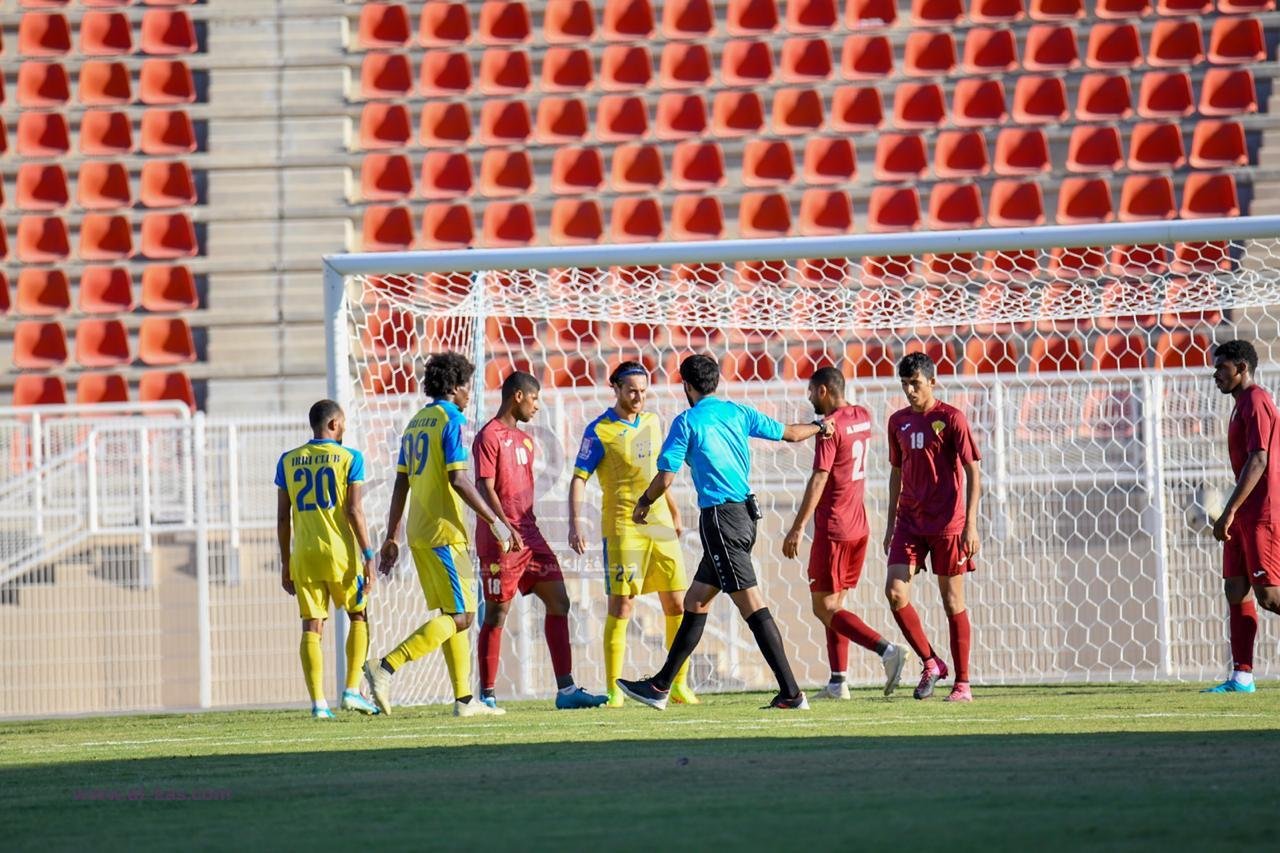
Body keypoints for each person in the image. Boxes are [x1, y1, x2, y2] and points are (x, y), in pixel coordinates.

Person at [616, 354, 832, 711]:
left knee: (752, 603)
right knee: (696, 601)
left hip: (720, 519)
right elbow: (792, 434)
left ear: (687, 385)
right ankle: (660, 686)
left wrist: (644, 502)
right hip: (746, 516)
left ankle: (792, 693)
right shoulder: (738, 412)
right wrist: (819, 427)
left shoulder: (687, 422)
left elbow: (666, 477)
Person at [363, 352, 513, 717]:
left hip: (418, 530)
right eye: (467, 386)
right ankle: (385, 666)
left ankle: (464, 700)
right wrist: (495, 520)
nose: (469, 394)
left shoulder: (415, 423)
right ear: (454, 386)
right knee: (463, 617)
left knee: (452, 613)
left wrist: (392, 535)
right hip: (445, 532)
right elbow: (458, 478)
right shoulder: (453, 420)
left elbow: (401, 482)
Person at [474, 371, 606, 710]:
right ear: (518, 396)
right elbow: (484, 487)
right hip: (500, 539)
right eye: (534, 399)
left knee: (559, 601)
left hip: (530, 536)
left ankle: (566, 690)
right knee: (497, 613)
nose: (537, 406)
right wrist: (505, 526)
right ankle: (487, 696)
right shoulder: (488, 436)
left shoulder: (526, 441)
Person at [569, 361, 697, 708]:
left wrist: (673, 510)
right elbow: (579, 478)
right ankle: (614, 690)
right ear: (615, 388)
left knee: (677, 603)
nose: (638, 397)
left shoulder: (653, 422)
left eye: (643, 391)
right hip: (623, 527)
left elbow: (659, 472)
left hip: (659, 523)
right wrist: (576, 522)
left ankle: (678, 684)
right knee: (622, 604)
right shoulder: (599, 430)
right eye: (632, 391)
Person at [783, 367, 907, 699]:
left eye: (811, 391)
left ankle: (887, 651)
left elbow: (820, 477)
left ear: (823, 390)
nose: (809, 397)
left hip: (834, 528)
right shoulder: (862, 415)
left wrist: (797, 527)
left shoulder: (830, 427)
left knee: (823, 607)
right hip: (859, 525)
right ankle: (839, 681)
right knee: (836, 604)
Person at [883, 352, 982, 702]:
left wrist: (971, 525)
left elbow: (973, 472)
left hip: (947, 523)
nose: (910, 391)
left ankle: (963, 683)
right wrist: (891, 523)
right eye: (904, 384)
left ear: (932, 382)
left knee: (952, 601)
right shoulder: (897, 422)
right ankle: (931, 662)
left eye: (915, 384)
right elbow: (896, 472)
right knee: (895, 593)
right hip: (909, 522)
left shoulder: (951, 418)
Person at [275, 399, 380, 719]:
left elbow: (283, 518)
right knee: (358, 615)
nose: (344, 428)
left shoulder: (288, 460)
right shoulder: (350, 458)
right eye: (343, 423)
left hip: (304, 555)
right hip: (340, 555)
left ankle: (319, 704)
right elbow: (354, 510)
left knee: (312, 625)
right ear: (334, 424)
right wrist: (368, 554)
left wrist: (286, 562)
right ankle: (351, 691)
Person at [1204, 339, 1280, 693]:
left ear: (1242, 368)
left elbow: (1259, 458)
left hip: (1262, 510)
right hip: (1242, 513)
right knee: (1235, 588)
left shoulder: (1256, 400)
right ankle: (1242, 677)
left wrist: (1229, 510)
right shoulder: (1239, 405)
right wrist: (1234, 511)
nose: (1215, 374)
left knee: (1269, 597)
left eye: (1222, 367)